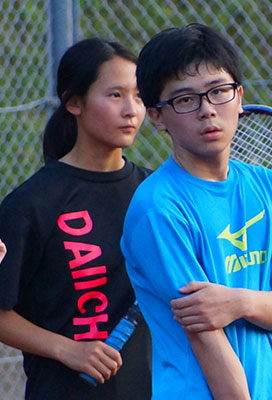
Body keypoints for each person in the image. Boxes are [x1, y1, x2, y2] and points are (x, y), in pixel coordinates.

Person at [121, 23, 272, 400]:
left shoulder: (269, 188)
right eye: (185, 99)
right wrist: (250, 304)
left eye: (218, 91)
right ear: (157, 116)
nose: (207, 110)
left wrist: (236, 302)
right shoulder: (158, 209)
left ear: (239, 96)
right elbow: (206, 338)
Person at [0, 38, 151, 399]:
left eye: (139, 96)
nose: (131, 110)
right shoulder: (32, 204)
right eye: (115, 95)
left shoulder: (154, 194)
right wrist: (66, 349)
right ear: (74, 103)